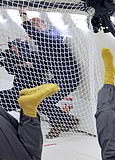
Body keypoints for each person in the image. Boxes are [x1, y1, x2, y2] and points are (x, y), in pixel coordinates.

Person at [20, 11, 81, 139]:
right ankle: (68, 120)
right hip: (59, 78)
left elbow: (39, 36)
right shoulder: (42, 46)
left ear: (44, 25)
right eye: (33, 24)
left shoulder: (53, 36)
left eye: (37, 24)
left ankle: (59, 124)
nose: (35, 26)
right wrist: (26, 59)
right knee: (40, 100)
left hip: (70, 77)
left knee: (44, 102)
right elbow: (38, 60)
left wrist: (23, 16)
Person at [0, 38, 48, 112]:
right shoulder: (14, 59)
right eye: (12, 49)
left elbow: (43, 67)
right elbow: (11, 71)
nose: (14, 51)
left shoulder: (33, 56)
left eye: (15, 48)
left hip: (30, 91)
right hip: (18, 90)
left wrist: (26, 64)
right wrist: (9, 63)